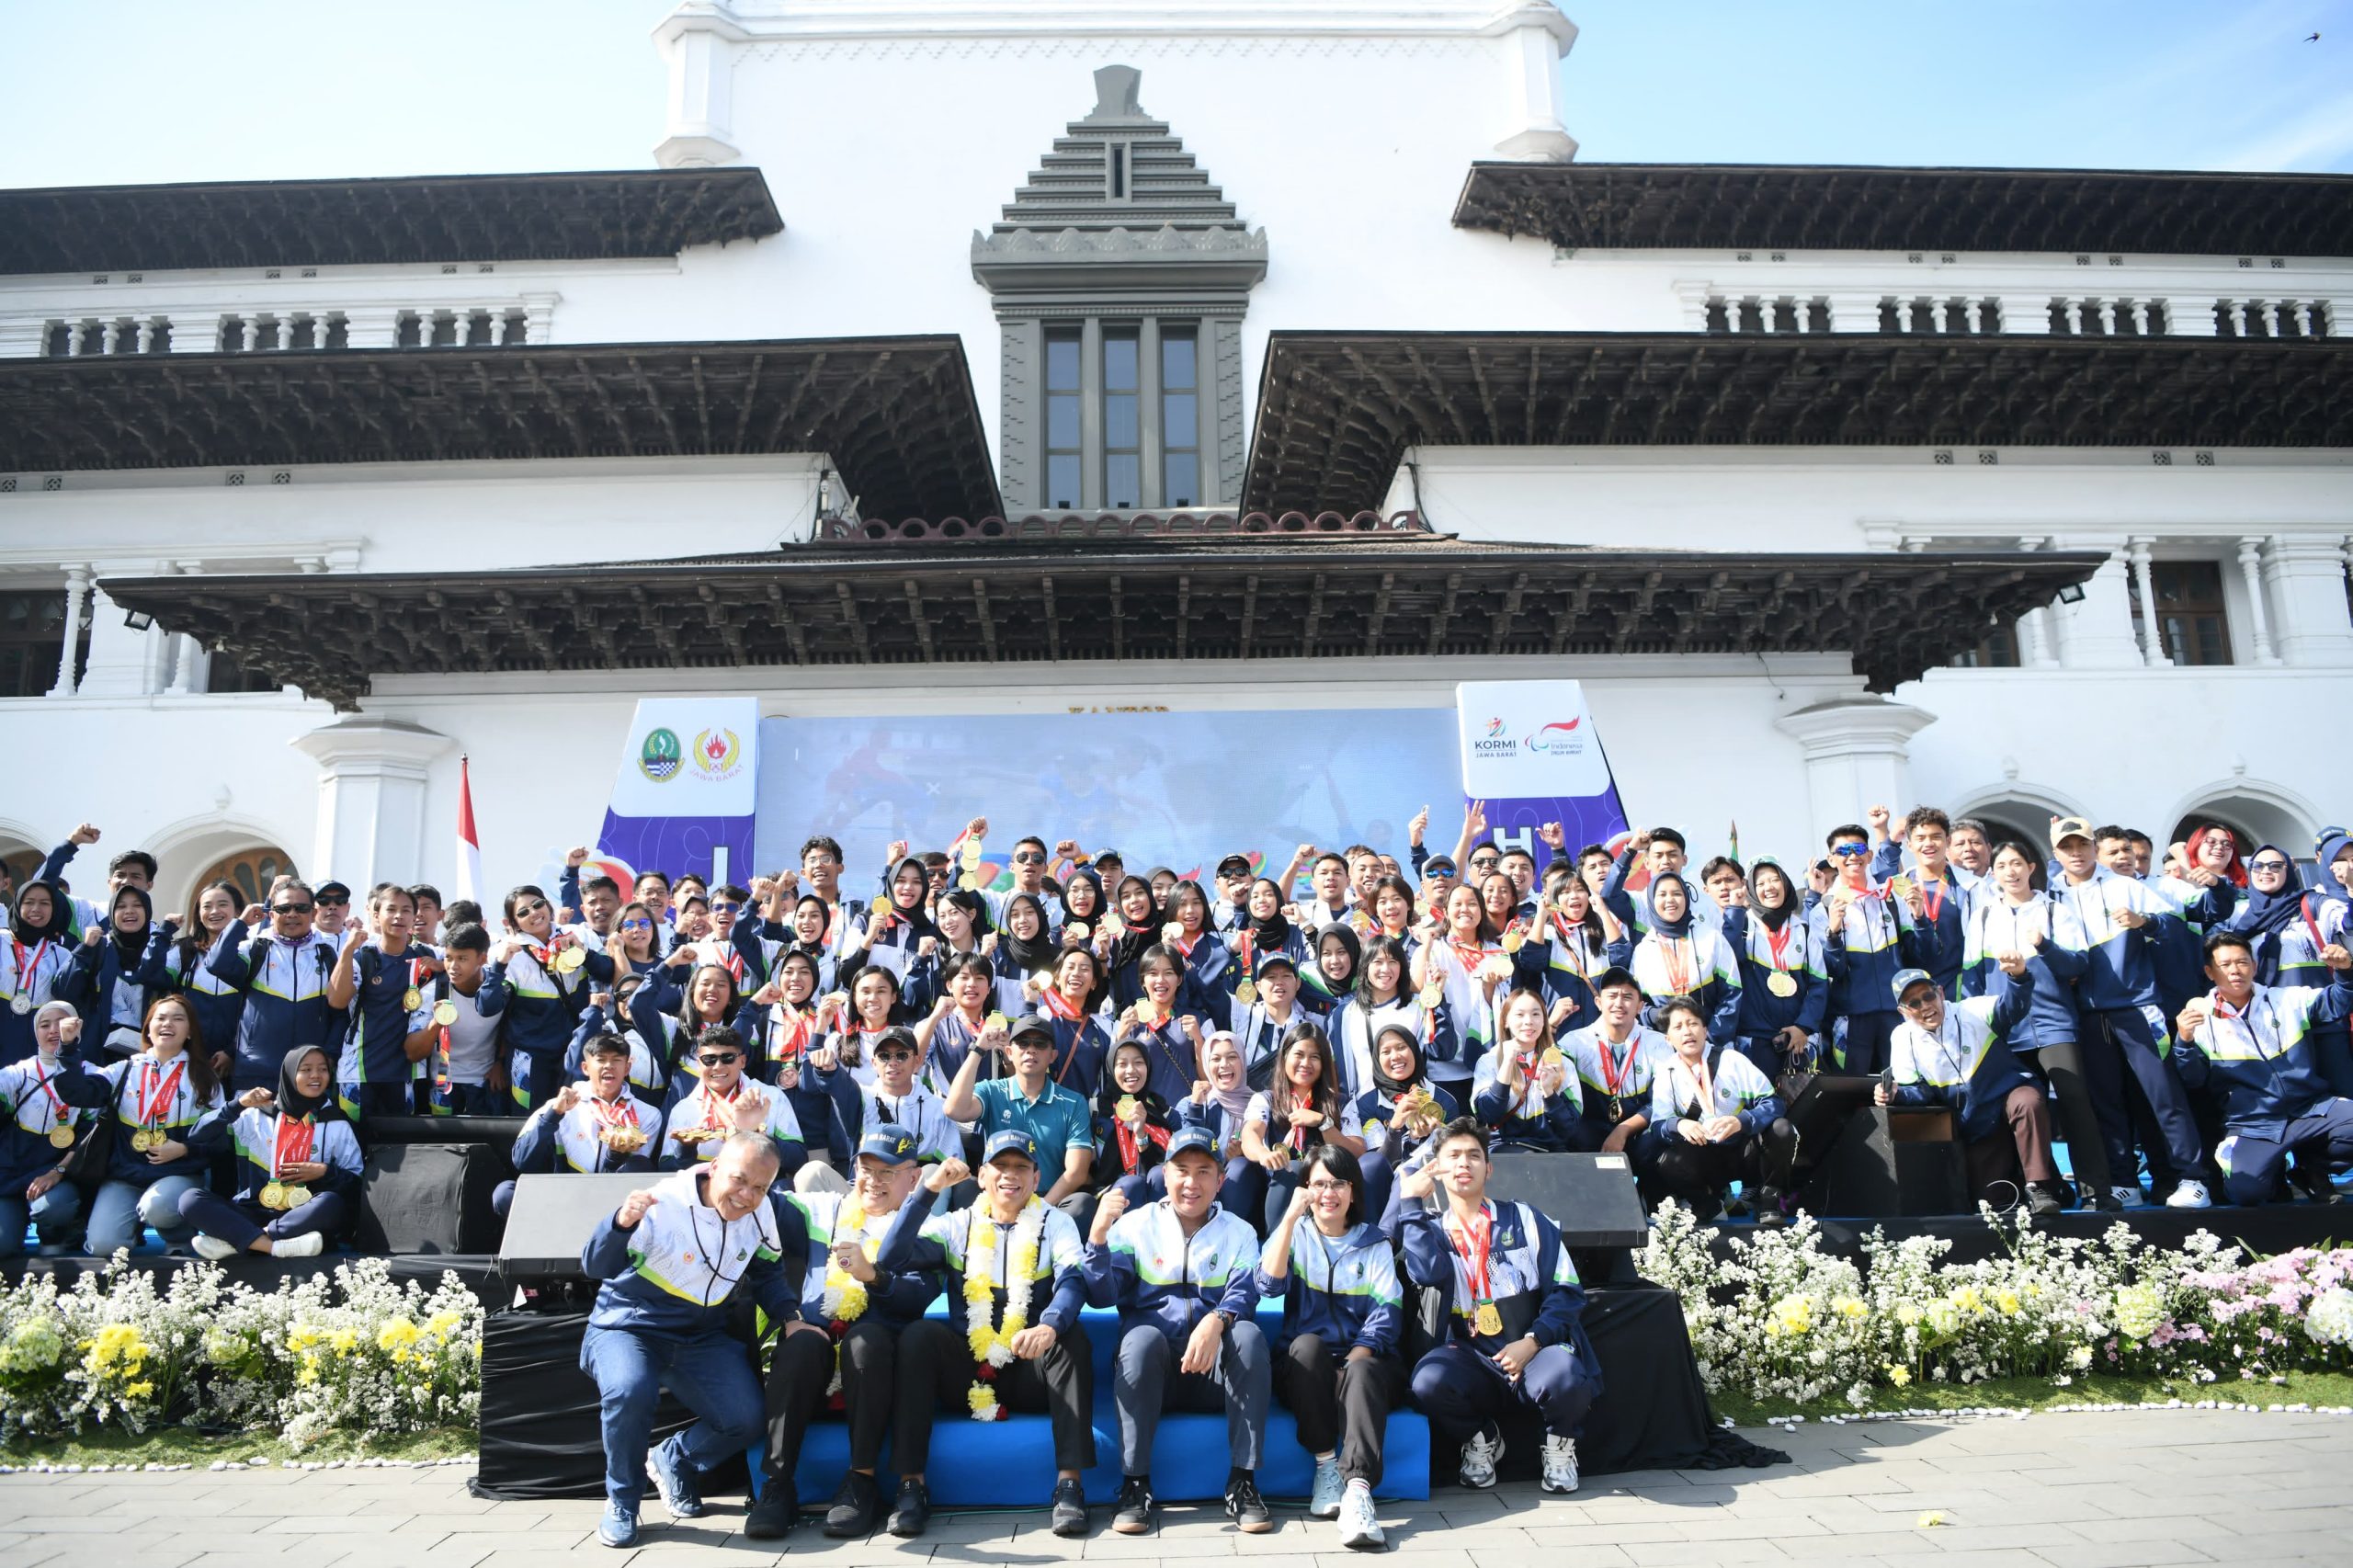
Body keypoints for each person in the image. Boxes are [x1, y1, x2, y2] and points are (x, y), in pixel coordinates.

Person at [579, 1134, 824, 1548]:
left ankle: (674, 1457)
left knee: (747, 1419)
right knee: (629, 1390)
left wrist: (790, 1317)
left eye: (760, 1188)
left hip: (700, 1336)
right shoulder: (662, 1203)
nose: (747, 1196)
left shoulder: (762, 1212)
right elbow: (594, 1265)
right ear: (713, 1168)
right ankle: (622, 1500)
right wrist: (619, 1224)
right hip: (630, 1325)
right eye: (739, 1180)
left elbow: (767, 1273)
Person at [873, 1134, 1095, 1539]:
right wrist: (928, 1191)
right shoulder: (959, 1222)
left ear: (1036, 1176)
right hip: (969, 1370)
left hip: (1028, 1364)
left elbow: (1073, 1281)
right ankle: (911, 1486)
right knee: (919, 1337)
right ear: (981, 1175)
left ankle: (1069, 1486)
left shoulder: (1055, 1221)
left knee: (1071, 1337)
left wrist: (1049, 1324)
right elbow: (890, 1257)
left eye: (1020, 1168)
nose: (1010, 1176)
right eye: (1000, 1167)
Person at [753, 1124, 939, 1540]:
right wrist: (750, 1134)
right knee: (799, 1341)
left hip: (876, 1356)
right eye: (866, 1169)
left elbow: (916, 1299)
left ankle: (861, 1482)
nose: (873, 1181)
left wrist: (873, 1275)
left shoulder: (923, 1227)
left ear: (914, 1177)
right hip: (820, 1346)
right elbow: (764, 1199)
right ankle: (777, 1486)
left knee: (865, 1341)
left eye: (887, 1172)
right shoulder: (825, 1208)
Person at [1086, 1125, 1272, 1536]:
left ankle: (1243, 1483)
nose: (1192, 1183)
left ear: (1220, 1180)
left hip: (1214, 1374)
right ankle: (1135, 1486)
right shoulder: (1135, 1226)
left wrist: (1216, 1320)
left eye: (1204, 1171)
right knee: (1139, 1338)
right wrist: (1097, 1237)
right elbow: (1102, 1295)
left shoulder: (1240, 1232)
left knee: (1248, 1335)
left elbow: (1245, 1294)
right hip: (1156, 1373)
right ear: (1164, 1176)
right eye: (1181, 1170)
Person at [1396, 1116, 1597, 1494]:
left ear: (1488, 1168)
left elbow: (1568, 1291)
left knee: (1566, 1374)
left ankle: (1560, 1446)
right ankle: (1482, 1438)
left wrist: (1533, 1342)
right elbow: (1424, 1274)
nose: (1463, 1164)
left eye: (1473, 1156)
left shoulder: (1526, 1218)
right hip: (1470, 1354)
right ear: (1437, 1169)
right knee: (1428, 1381)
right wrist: (1410, 1203)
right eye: (1453, 1155)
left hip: (1533, 1347)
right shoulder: (1432, 1230)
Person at [2048, 817, 2211, 1209]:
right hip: (2087, 1013)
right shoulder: (2050, 898)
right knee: (2106, 1101)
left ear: (2093, 847)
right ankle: (2125, 1182)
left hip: (2137, 1007)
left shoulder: (2126, 886)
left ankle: (2193, 1178)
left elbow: (2173, 931)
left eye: (2082, 844)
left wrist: (2146, 922)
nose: (2076, 853)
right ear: (2056, 854)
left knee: (2163, 1095)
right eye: (2067, 847)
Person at [1257, 1144, 1405, 1551]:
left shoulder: (1374, 1243)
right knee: (1305, 1347)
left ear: (1353, 1191)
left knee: (1361, 1370)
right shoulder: (1297, 1235)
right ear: (1306, 1189)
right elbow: (1268, 1286)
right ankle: (1325, 1466)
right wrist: (1289, 1217)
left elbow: (1387, 1312)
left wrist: (1357, 1357)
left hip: (1364, 1365)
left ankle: (1357, 1491)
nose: (1329, 1193)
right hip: (1308, 1368)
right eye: (1318, 1184)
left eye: (1338, 1183)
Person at [1965, 843, 2105, 1208]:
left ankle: (2096, 1192)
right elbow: (1972, 981)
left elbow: (2077, 966)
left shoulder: (2056, 910)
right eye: (2001, 866)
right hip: (2006, 1030)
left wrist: (2043, 945)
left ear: (2031, 868)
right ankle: (2046, 1189)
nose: (2010, 872)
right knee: (2027, 1109)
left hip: (2055, 1025)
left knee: (2076, 1106)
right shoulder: (1981, 917)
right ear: (1992, 873)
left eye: (2016, 864)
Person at [2174, 931, 2353, 1206]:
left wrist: (2345, 972)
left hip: (2310, 1109)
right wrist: (2184, 1041)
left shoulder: (2287, 1000)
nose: (2235, 970)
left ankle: (2311, 1167)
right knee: (2247, 1193)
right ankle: (2263, 1165)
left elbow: (2335, 1003)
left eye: (2243, 962)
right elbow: (2193, 1079)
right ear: (2210, 972)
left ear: (2254, 967)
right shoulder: (2198, 1017)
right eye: (2225, 965)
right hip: (2254, 1124)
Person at [1880, 962, 2067, 1214]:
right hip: (1974, 1124)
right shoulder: (1902, 1037)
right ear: (1903, 1011)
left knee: (2028, 1101)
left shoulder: (1972, 1009)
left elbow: (2013, 1007)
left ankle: (2039, 1186)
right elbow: (1921, 1092)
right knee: (1993, 1205)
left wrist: (2019, 977)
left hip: (2007, 1097)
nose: (1925, 1006)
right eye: (1914, 1003)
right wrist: (1896, 1095)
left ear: (1941, 994)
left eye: (1928, 996)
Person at [49, 993, 227, 1255]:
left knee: (157, 1207)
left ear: (189, 1031)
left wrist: (185, 1149)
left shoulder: (204, 1078)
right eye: (160, 1018)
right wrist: (67, 1046)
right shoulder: (123, 1070)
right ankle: (130, 1232)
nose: (168, 1024)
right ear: (148, 1028)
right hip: (126, 1175)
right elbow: (76, 1092)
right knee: (103, 1246)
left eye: (178, 1019)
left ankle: (178, 1237)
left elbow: (220, 1139)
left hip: (179, 1174)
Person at [180, 1044, 364, 1257]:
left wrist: (325, 1172)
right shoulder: (257, 1114)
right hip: (254, 1211)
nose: (316, 1075)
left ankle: (244, 1240)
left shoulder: (336, 1121)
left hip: (302, 1217)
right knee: (190, 1200)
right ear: (288, 1073)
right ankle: (275, 1247)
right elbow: (198, 1136)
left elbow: (356, 1183)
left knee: (332, 1204)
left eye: (322, 1069)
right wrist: (237, 1105)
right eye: (305, 1069)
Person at [1636, 997, 1796, 1224]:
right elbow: (1658, 1125)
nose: (1687, 1032)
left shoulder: (1732, 1060)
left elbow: (1773, 1103)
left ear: (1705, 1029)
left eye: (1692, 1024)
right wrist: (1679, 1124)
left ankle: (1770, 1200)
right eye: (1678, 1027)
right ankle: (1708, 1203)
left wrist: (1742, 1121)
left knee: (1782, 1129)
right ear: (1668, 1038)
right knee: (1663, 1157)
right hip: (1705, 1154)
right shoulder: (1667, 1072)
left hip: (1742, 1150)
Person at [943, 1014, 1097, 1221]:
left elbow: (1076, 1172)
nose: (1031, 1050)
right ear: (1009, 1052)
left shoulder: (1073, 1102)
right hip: (998, 1196)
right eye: (1023, 1043)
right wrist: (978, 1050)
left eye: (1040, 1044)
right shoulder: (991, 1091)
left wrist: (1038, 1212)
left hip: (1047, 1200)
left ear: (1052, 1056)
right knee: (965, 1187)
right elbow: (954, 1110)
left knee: (1082, 1204)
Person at [204, 879, 344, 1095]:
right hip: (256, 1073)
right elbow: (216, 963)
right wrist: (241, 923)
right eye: (283, 908)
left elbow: (339, 1014)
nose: (292, 914)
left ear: (313, 913)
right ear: (271, 915)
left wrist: (330, 1055)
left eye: (301, 908)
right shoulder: (255, 948)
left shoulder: (327, 954)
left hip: (310, 1075)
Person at [498, 1035, 666, 1210]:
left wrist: (615, 1156)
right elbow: (522, 1161)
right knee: (505, 1193)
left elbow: (633, 1177)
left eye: (616, 1060)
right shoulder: (560, 1105)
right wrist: (553, 1116)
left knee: (640, 1166)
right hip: (560, 1198)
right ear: (585, 1068)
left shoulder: (648, 1115)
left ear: (627, 1068)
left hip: (611, 1203)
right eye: (601, 1060)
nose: (609, 1066)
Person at [325, 883, 438, 1118]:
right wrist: (347, 951)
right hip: (359, 1071)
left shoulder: (424, 955)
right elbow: (336, 1000)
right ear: (376, 915)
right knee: (356, 1145)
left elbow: (468, 962)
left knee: (398, 1146)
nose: (399, 916)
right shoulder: (363, 957)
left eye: (406, 910)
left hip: (405, 1073)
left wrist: (443, 966)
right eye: (391, 909)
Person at [1240, 1023, 1365, 1232]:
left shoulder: (1341, 1102)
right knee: (1292, 1168)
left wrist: (1323, 1123)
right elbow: (1250, 1133)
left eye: (1315, 1057)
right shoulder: (1265, 1099)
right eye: (1299, 1054)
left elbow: (1358, 1149)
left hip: (1326, 1183)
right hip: (1279, 1179)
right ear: (1284, 1057)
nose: (1306, 1063)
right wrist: (1264, 1154)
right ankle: (1276, 1246)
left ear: (1324, 1063)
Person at [0, 1002, 96, 1254]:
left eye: (62, 1022)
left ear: (77, 1027)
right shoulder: (17, 1074)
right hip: (12, 1173)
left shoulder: (94, 1077)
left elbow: (90, 1139)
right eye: (45, 1025)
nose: (53, 1030)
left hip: (60, 1172)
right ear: (35, 1032)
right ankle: (14, 1224)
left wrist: (57, 1171)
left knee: (52, 1209)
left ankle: (60, 1234)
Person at [1722, 858, 1826, 1082]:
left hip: (1797, 1039)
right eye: (1760, 884)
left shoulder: (1803, 930)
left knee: (1801, 1108)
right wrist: (1734, 910)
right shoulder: (1743, 925)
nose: (1769, 887)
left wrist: (1803, 1026)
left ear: (1786, 884)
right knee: (1763, 1107)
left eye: (1774, 880)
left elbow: (1819, 985)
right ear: (1750, 889)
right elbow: (1728, 961)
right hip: (1755, 1039)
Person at [659, 1025, 804, 1177]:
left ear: (742, 1061)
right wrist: (686, 1149)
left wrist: (757, 1136)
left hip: (759, 1190)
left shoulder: (771, 1097)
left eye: (727, 1058)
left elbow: (798, 1158)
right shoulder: (684, 1109)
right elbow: (666, 1170)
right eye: (709, 1059)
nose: (718, 1066)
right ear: (698, 1064)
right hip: (704, 1193)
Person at [1562, 967, 1668, 1158]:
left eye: (1627, 996)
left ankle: (1651, 1189)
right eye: (1612, 996)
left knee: (1658, 1138)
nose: (1619, 1003)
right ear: (1599, 1002)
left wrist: (1624, 1129)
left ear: (1640, 1006)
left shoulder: (1658, 1043)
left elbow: (1662, 1101)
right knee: (1573, 1135)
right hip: (1591, 1130)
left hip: (1637, 1131)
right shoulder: (1575, 1042)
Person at [1355, 1023, 1457, 1217]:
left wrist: (1427, 1138)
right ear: (1377, 1060)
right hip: (1384, 1192)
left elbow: (1455, 1155)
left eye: (1402, 1047)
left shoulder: (1444, 1101)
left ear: (1414, 1050)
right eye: (1386, 1051)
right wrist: (1395, 1126)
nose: (1395, 1056)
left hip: (1435, 1183)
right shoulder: (1367, 1104)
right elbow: (1378, 1165)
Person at [1472, 987, 1586, 1151]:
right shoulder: (1489, 1061)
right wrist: (1507, 1064)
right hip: (1502, 1146)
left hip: (1548, 1149)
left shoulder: (1562, 1063)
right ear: (1505, 1021)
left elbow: (1569, 1128)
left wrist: (1549, 1093)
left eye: (1536, 1014)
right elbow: (1487, 1115)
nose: (1528, 1021)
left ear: (1544, 1020)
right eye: (1519, 1015)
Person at [1, 881, 77, 1062]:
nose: (36, 908)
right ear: (18, 904)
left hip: (38, 1046)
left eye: (45, 903)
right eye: (29, 902)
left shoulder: (62, 955)